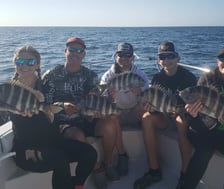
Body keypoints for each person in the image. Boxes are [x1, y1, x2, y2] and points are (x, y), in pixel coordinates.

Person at [42, 37, 126, 187]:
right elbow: (45, 104)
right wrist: (61, 105)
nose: (75, 53)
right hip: (64, 123)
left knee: (111, 121)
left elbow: (94, 97)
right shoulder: (50, 75)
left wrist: (98, 111)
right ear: (65, 51)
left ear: (84, 55)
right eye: (71, 50)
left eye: (79, 50)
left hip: (87, 118)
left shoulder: (91, 75)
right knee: (77, 134)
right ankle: (97, 167)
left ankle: (108, 163)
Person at [9, 45, 97, 189]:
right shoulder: (10, 91)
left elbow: (51, 106)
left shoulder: (46, 85)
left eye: (30, 62)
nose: (24, 65)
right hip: (27, 150)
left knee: (89, 154)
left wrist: (62, 106)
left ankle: (77, 185)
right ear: (14, 63)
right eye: (20, 61)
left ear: (37, 64)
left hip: (52, 141)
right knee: (60, 160)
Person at [178, 45, 224, 189]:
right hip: (207, 128)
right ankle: (186, 185)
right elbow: (197, 116)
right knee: (204, 148)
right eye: (223, 58)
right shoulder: (207, 78)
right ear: (217, 61)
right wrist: (192, 113)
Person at [133, 41, 197, 189]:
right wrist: (149, 107)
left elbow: (192, 106)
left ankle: (185, 174)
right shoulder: (156, 78)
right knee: (146, 118)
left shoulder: (189, 78)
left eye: (170, 56)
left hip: (183, 115)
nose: (166, 60)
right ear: (158, 60)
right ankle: (154, 170)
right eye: (162, 56)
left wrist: (179, 111)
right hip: (165, 115)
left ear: (178, 58)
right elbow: (155, 104)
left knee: (181, 122)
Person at [99, 42, 149, 178]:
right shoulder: (108, 76)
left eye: (128, 55)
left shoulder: (140, 75)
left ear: (133, 57)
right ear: (116, 56)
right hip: (117, 115)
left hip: (134, 112)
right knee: (112, 115)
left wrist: (140, 94)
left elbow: (148, 99)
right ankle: (122, 156)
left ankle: (153, 161)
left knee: (147, 111)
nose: (124, 58)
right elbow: (103, 103)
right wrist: (110, 97)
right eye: (121, 54)